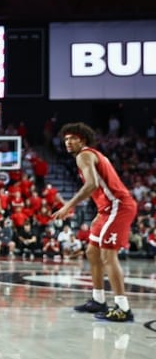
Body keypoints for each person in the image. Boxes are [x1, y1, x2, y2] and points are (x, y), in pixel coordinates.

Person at [52, 122, 137, 322]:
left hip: (118, 206)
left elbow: (92, 185)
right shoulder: (91, 155)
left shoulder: (84, 155)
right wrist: (100, 212)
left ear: (83, 139)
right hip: (107, 209)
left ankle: (123, 308)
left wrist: (68, 206)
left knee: (108, 256)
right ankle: (98, 299)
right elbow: (100, 188)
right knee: (92, 252)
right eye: (65, 139)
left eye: (73, 138)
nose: (68, 142)